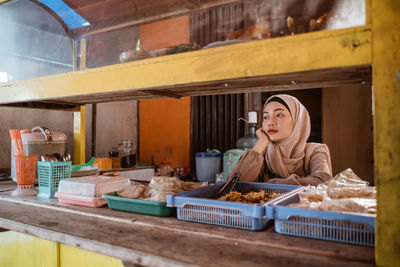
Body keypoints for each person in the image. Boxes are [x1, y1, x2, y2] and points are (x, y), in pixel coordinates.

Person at [228, 94, 332, 185]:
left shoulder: (315, 151)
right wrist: (261, 143)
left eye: (278, 115)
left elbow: (322, 182)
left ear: (297, 120)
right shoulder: (261, 154)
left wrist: (267, 184)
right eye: (266, 117)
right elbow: (234, 184)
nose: (270, 122)